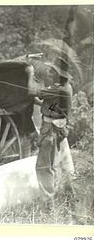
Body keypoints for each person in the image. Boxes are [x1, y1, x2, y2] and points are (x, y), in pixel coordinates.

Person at [28, 64, 75, 212]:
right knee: (57, 165)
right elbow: (50, 106)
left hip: (50, 131)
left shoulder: (58, 89)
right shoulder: (65, 87)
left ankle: (47, 209)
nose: (49, 73)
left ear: (59, 75)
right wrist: (38, 102)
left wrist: (30, 73)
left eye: (52, 72)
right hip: (58, 129)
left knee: (43, 168)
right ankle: (69, 199)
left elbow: (31, 91)